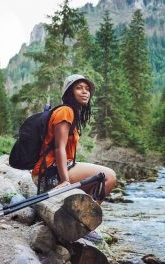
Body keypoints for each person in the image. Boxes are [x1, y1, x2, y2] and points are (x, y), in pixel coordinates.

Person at [31, 74, 116, 242]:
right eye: (79, 88)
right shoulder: (65, 111)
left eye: (87, 89)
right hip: (51, 173)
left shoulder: (71, 113)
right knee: (109, 177)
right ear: (69, 92)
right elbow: (58, 148)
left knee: (101, 178)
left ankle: (78, 222)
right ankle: (85, 225)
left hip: (54, 170)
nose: (85, 92)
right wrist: (64, 180)